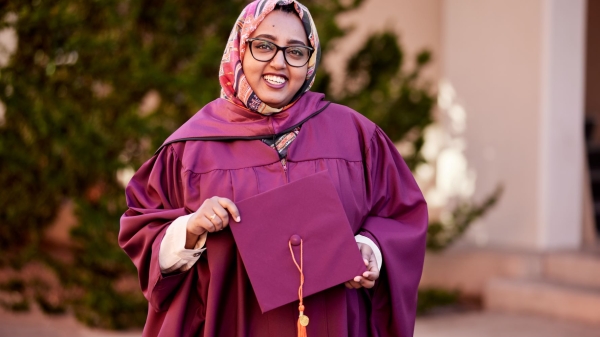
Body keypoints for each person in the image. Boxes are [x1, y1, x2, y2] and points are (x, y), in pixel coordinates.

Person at [119, 1, 428, 336]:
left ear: (309, 60)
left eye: (295, 51)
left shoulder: (355, 135)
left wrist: (370, 251)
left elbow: (401, 216)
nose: (279, 63)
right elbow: (143, 235)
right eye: (264, 45)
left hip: (335, 321)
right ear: (240, 47)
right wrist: (191, 228)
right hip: (232, 323)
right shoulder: (191, 148)